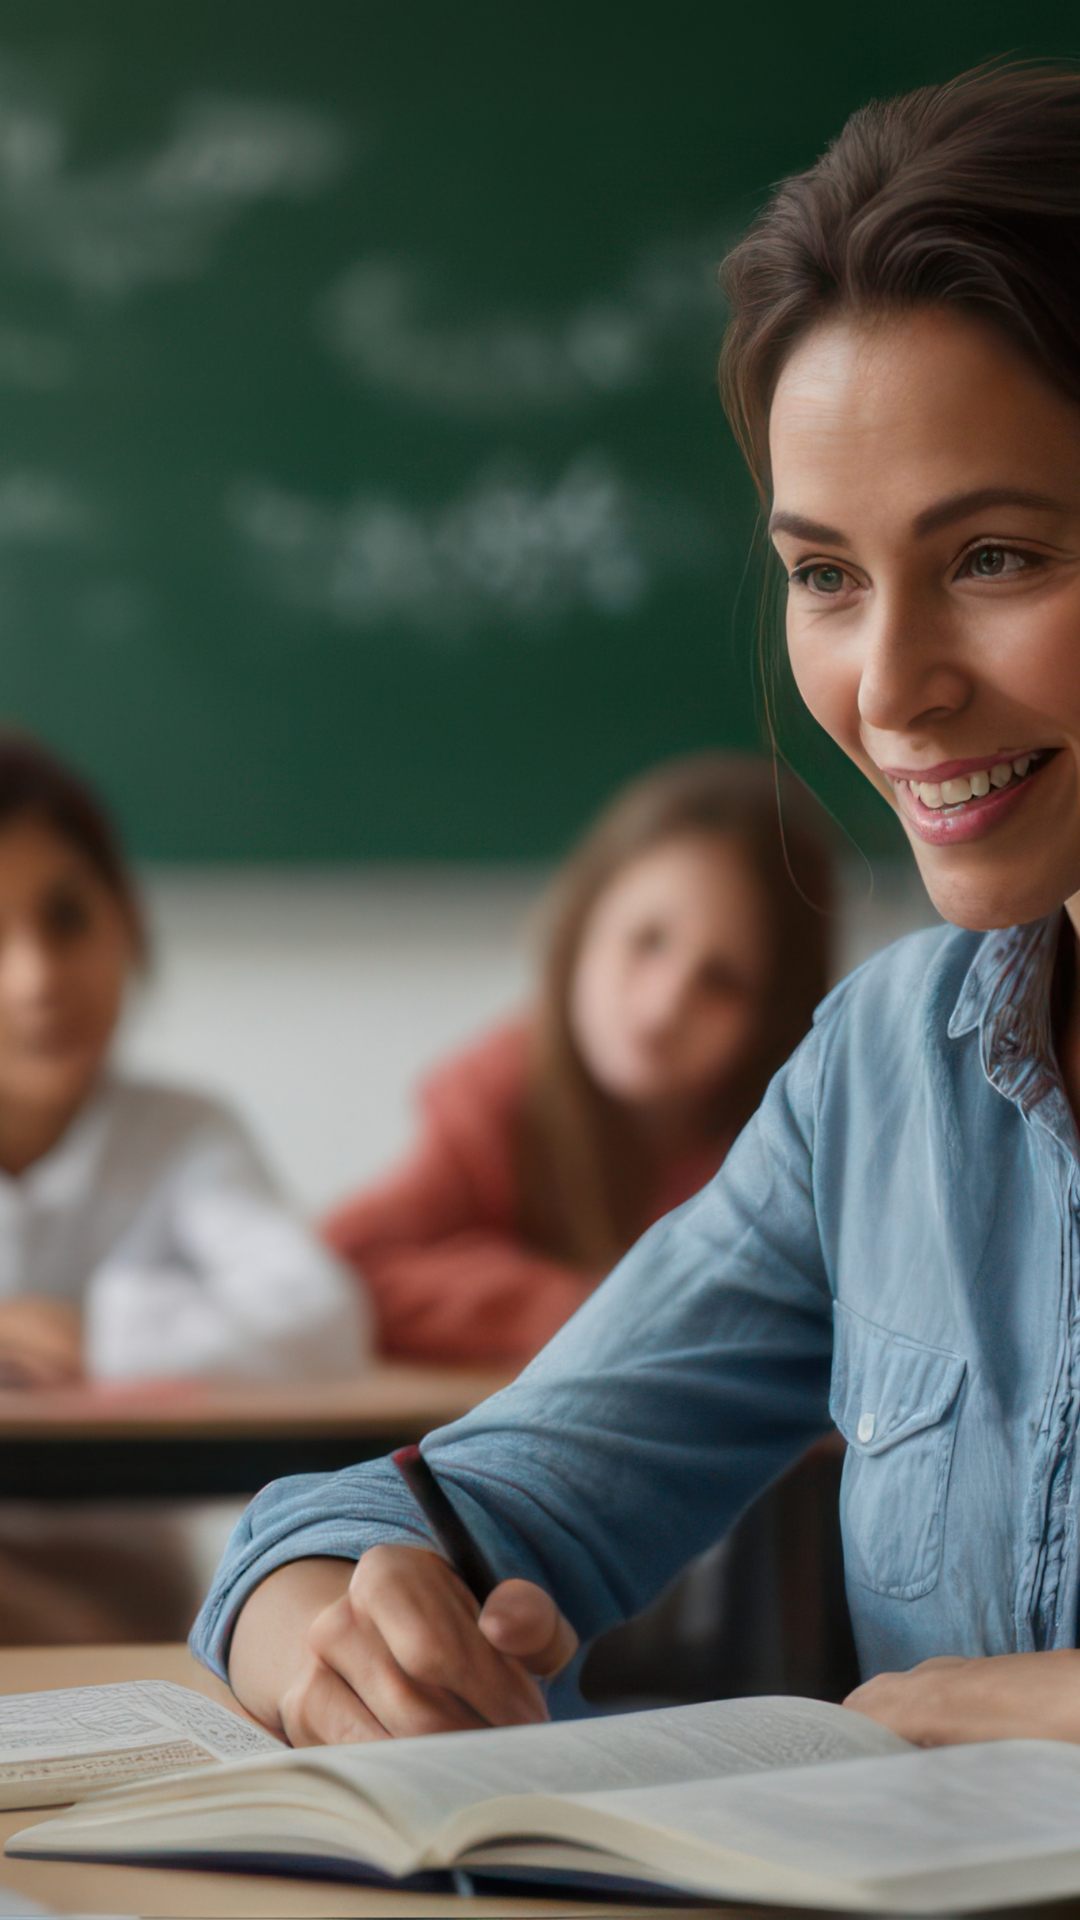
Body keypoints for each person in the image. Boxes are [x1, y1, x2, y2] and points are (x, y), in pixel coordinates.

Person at [194, 62, 1080, 1751]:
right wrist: (336, 1628)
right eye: (824, 574)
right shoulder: (882, 1077)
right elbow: (419, 1517)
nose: (888, 687)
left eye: (996, 559)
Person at [322, 754, 833, 1368]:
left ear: (774, 1017)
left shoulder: (793, 1146)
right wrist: (591, 1306)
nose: (664, 1005)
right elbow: (337, 1270)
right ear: (582, 926)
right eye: (646, 941)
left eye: (722, 981)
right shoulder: (496, 1092)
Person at [0, 731, 369, 1387]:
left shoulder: (185, 1136)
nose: (36, 980)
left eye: (67, 918)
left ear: (127, 922)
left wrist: (92, 1336)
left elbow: (324, 1321)